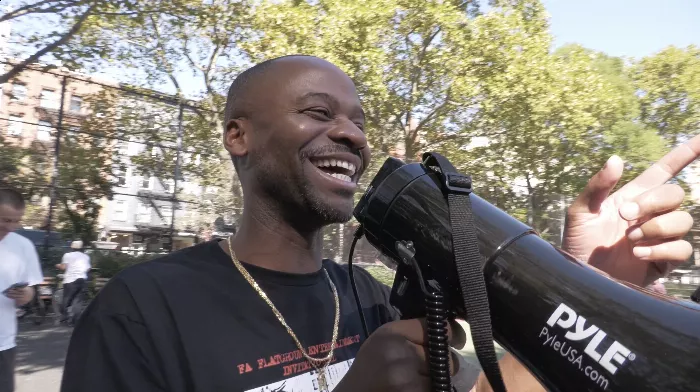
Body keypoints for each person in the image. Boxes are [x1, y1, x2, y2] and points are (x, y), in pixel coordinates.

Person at [61, 55, 698, 392]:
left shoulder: (370, 298)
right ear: (238, 134)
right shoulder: (141, 311)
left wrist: (579, 295)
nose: (350, 134)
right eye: (317, 112)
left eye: (358, 121)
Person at [0, 188, 44, 392]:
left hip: (3, 341)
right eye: (5, 220)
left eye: (16, 221)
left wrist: (26, 295)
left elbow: (31, 288)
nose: (11, 227)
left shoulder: (23, 245)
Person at [55, 240, 91, 326]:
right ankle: (75, 321)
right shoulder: (86, 257)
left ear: (72, 246)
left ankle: (64, 318)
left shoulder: (67, 255)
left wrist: (57, 265)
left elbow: (63, 267)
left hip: (70, 280)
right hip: (82, 280)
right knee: (78, 302)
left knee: (66, 299)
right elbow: (88, 268)